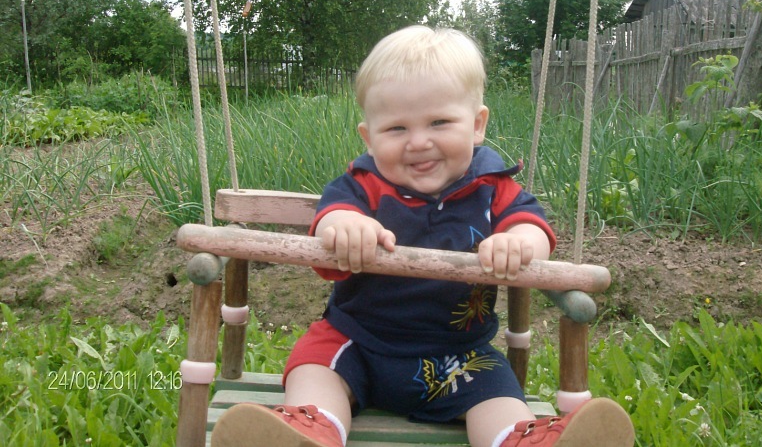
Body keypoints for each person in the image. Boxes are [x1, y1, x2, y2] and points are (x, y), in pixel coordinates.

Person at [211, 26, 634, 447]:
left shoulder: (494, 188)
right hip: (357, 342)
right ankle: (310, 429)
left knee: (497, 394)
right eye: (396, 129)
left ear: (477, 125)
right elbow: (331, 218)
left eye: (439, 122)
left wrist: (519, 242)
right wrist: (345, 227)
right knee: (313, 367)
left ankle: (518, 440)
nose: (418, 142)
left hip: (461, 356)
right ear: (369, 138)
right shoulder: (361, 186)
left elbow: (533, 226)